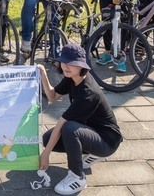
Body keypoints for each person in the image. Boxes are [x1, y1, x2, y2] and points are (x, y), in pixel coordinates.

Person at [37, 43, 122, 195]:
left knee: (69, 128)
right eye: (64, 62)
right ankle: (92, 152)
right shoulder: (72, 77)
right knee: (47, 138)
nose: (66, 66)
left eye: (72, 63)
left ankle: (77, 177)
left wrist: (46, 154)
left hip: (107, 141)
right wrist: (43, 74)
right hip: (92, 131)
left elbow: (62, 124)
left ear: (82, 65)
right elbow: (52, 96)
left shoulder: (88, 92)